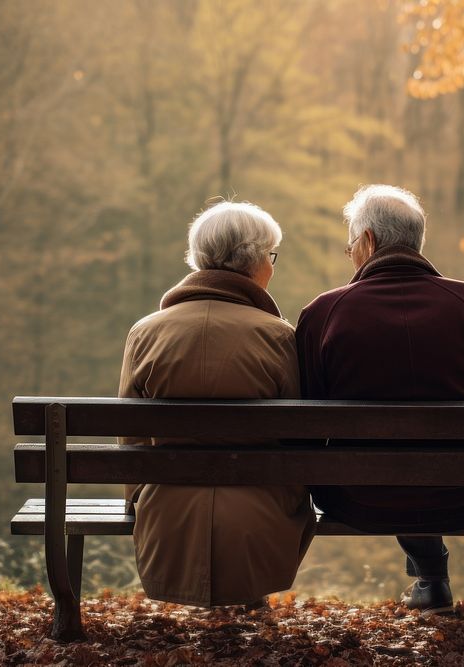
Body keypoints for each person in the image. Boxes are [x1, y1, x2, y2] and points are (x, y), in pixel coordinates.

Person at [295, 184, 464, 616]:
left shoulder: (324, 314)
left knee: (387, 469)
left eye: (350, 247)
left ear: (367, 242)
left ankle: (430, 575)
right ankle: (430, 575)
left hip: (357, 497)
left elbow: (304, 434)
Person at [118, 201, 316, 607]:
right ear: (256, 261)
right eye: (271, 257)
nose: (272, 267)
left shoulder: (145, 333)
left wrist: (137, 498)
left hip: (166, 513)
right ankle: (249, 593)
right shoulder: (278, 337)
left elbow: (131, 435)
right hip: (261, 513)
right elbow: (298, 437)